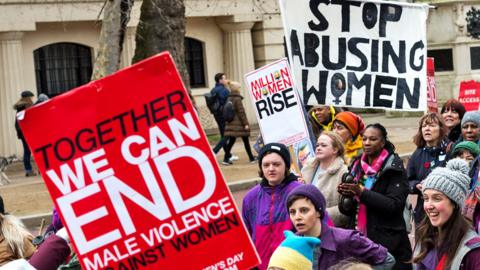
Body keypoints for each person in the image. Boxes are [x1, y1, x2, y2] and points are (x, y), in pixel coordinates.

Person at [338, 123, 412, 269]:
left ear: (383, 142)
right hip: (360, 239)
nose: (366, 143)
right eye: (364, 138)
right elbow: (350, 211)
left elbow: (394, 205)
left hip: (389, 242)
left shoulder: (394, 168)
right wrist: (346, 196)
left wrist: (361, 192)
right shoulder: (356, 165)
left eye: (372, 139)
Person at [286, 184, 395, 270]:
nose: (297, 217)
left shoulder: (346, 238)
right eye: (292, 212)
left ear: (318, 212)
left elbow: (388, 260)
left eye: (304, 210)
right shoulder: (291, 244)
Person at [242, 143, 301, 270]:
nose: (271, 169)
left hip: (293, 264)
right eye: (266, 165)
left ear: (286, 166)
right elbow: (245, 236)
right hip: (262, 265)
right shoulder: (250, 198)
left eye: (276, 164)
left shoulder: (300, 192)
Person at [413, 159, 480, 269]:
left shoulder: (473, 250)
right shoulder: (423, 234)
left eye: (437, 198)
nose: (429, 206)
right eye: (425, 198)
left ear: (454, 203)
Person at [407, 113, 449, 225]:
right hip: (423, 213)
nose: (427, 129)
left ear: (441, 129)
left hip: (446, 211)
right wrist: (416, 185)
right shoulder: (417, 154)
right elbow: (407, 181)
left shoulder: (450, 150)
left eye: (432, 125)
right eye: (424, 126)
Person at [301, 131, 348, 227]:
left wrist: (318, 215)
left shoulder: (344, 173)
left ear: (335, 149)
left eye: (323, 145)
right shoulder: (307, 167)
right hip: (305, 226)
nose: (318, 148)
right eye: (317, 145)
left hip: (329, 229)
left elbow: (345, 208)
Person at [222, 81, 256, 165]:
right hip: (239, 124)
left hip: (231, 123)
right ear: (236, 89)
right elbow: (241, 112)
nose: (240, 89)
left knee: (232, 141)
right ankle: (251, 158)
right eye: (239, 87)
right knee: (245, 140)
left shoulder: (229, 98)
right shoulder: (237, 99)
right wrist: (246, 124)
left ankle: (226, 159)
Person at [13, 90, 36, 177]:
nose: (31, 99)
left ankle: (29, 170)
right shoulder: (25, 107)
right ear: (27, 98)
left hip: (23, 132)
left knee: (27, 150)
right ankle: (29, 170)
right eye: (30, 97)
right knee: (28, 151)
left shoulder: (21, 107)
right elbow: (26, 120)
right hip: (26, 132)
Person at [211, 73, 232, 157]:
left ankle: (228, 155)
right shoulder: (224, 90)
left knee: (223, 134)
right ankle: (214, 151)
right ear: (220, 80)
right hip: (224, 115)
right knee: (227, 135)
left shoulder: (213, 89)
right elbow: (226, 102)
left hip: (217, 114)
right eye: (224, 78)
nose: (226, 80)